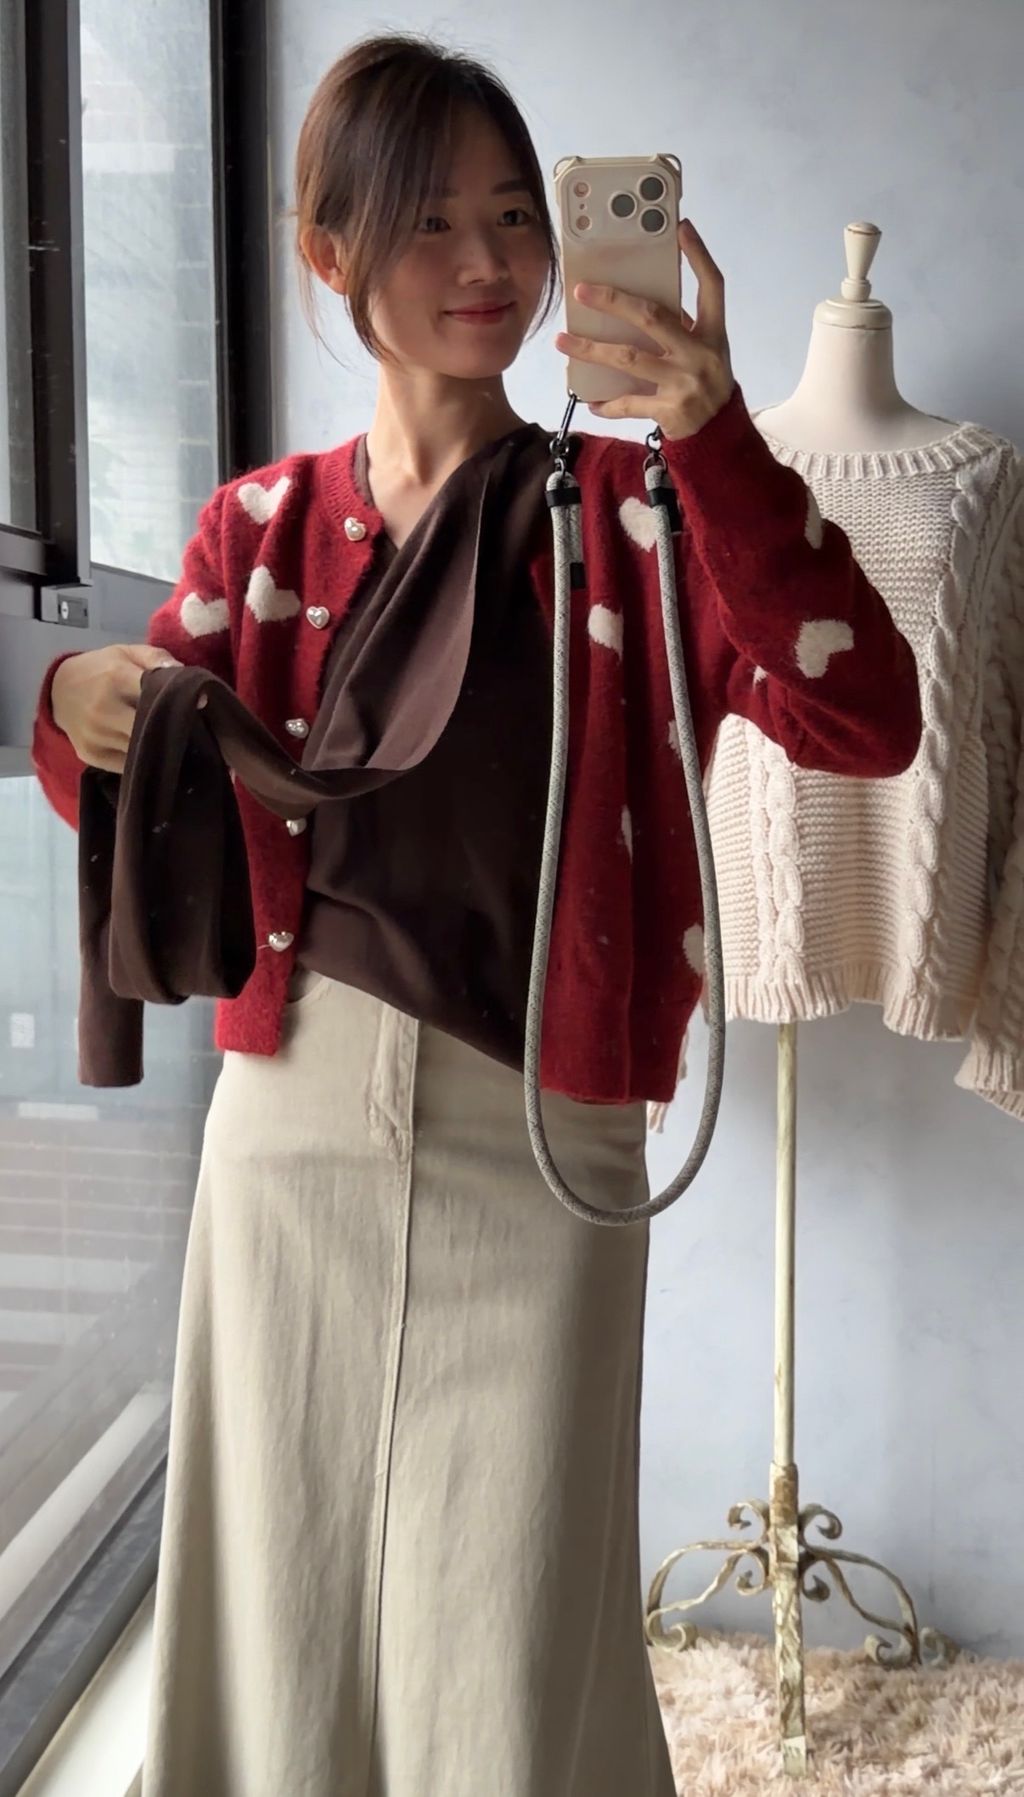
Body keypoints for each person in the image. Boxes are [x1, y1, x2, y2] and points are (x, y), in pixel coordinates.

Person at [30, 31, 922, 1797]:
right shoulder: (259, 526)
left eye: (517, 215)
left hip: (545, 1128)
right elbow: (127, 788)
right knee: (278, 1574)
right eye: (429, 220)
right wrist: (71, 697)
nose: (489, 260)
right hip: (290, 1125)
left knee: (508, 1595)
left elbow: (864, 711)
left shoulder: (639, 512)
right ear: (331, 251)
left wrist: (712, 434)